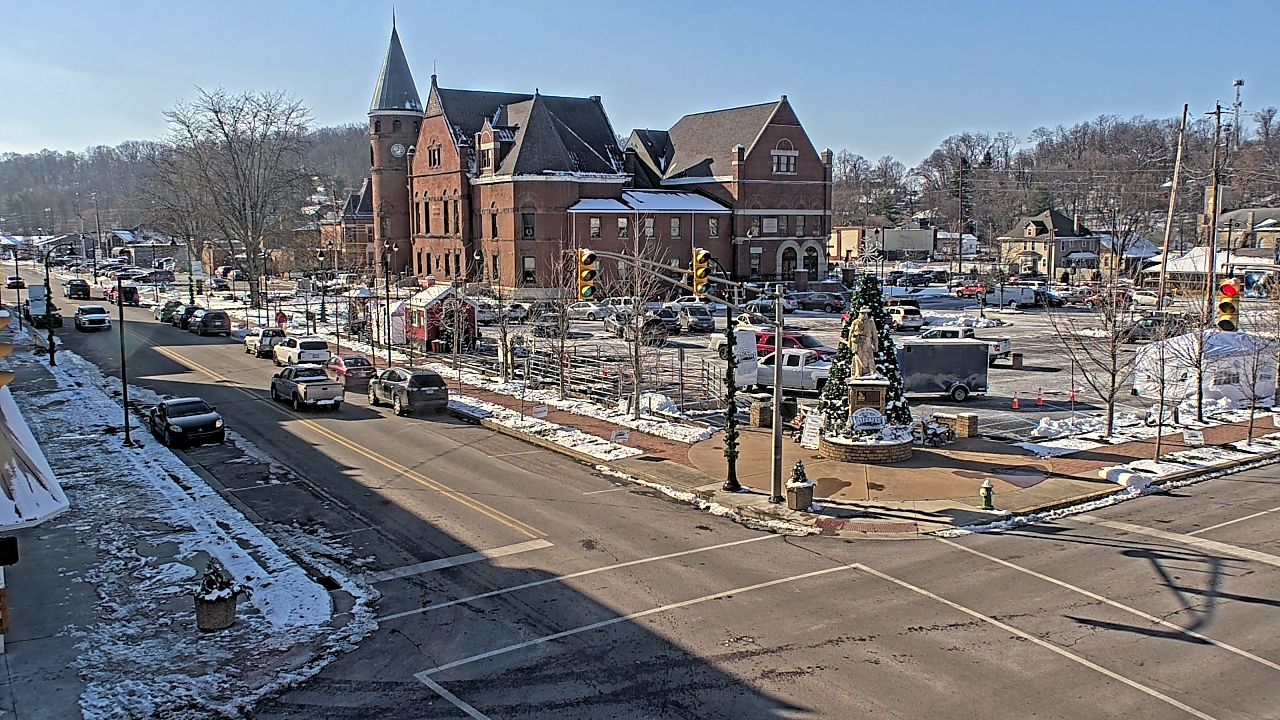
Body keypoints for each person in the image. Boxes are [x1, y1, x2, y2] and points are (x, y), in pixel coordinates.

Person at [850, 308, 878, 377]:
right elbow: (850, 334)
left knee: (870, 357)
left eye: (865, 313)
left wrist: (876, 345)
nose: (863, 315)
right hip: (858, 342)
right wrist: (850, 344)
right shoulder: (855, 322)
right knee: (858, 358)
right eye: (862, 313)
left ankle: (873, 372)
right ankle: (858, 372)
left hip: (867, 341)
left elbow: (874, 334)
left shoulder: (871, 322)